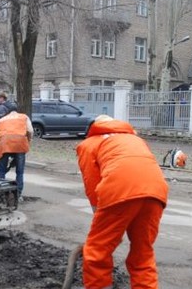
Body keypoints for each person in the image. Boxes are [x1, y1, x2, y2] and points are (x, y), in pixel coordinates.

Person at [75, 115, 169, 289]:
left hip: (119, 189)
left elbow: (92, 183)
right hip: (156, 192)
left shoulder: (89, 144)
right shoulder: (135, 139)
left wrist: (101, 222)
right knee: (143, 253)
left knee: (97, 252)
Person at [0, 102, 32, 201]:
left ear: (7, 111)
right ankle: (18, 194)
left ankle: (0, 193)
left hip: (4, 143)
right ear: (17, 110)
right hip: (20, 142)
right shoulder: (24, 117)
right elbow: (30, 130)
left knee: (1, 170)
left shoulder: (1, 120)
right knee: (20, 171)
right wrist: (28, 140)